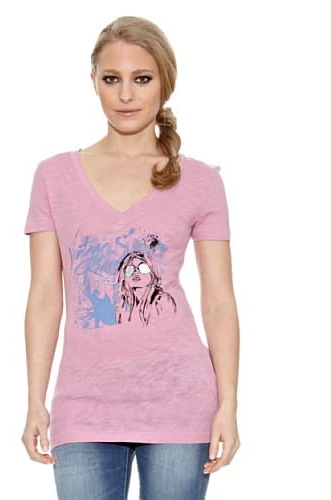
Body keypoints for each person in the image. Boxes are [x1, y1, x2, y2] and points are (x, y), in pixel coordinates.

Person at [21, 15, 240, 500]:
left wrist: (228, 404)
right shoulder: (54, 177)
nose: (125, 95)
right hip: (83, 407)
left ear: (164, 82)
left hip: (181, 404)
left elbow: (219, 301)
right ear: (93, 82)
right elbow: (44, 297)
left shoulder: (201, 182)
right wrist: (35, 399)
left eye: (141, 79)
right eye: (111, 79)